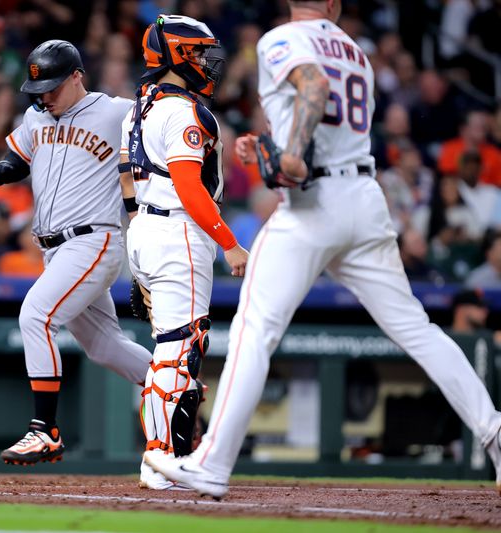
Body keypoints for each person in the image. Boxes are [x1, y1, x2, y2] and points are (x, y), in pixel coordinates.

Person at [145, 0, 501, 499]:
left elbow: (313, 88)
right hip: (364, 197)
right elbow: (319, 116)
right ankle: (494, 431)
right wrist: (269, 146)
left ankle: (212, 463)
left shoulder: (282, 38)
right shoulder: (356, 51)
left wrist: (287, 154)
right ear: (333, 5)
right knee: (417, 329)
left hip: (314, 204)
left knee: (254, 329)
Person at [0, 40, 153, 471]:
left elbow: (160, 132)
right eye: (40, 89)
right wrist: (4, 168)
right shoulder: (36, 115)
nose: (46, 96)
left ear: (77, 76)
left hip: (93, 240)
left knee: (36, 315)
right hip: (53, 250)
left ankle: (45, 430)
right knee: (102, 345)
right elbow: (21, 154)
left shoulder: (116, 112)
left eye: (54, 87)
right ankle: (175, 386)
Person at [119, 15, 249, 489]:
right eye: (197, 52)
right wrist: (230, 244)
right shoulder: (181, 110)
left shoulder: (141, 106)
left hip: (147, 229)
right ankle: (160, 458)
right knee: (180, 350)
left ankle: (163, 455)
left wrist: (140, 243)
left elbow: (126, 177)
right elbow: (191, 187)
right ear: (175, 54)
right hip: (178, 232)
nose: (206, 62)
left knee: (170, 350)